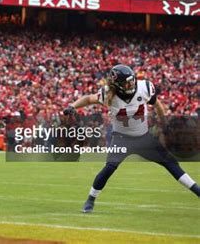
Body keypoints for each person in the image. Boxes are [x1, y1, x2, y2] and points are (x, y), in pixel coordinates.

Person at [63, 64, 200, 213]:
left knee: (170, 162)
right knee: (109, 168)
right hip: (122, 138)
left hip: (143, 137)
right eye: (127, 82)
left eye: (132, 80)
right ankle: (90, 199)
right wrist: (72, 106)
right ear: (117, 85)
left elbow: (157, 104)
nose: (131, 84)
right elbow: (89, 99)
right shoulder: (109, 93)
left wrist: (164, 122)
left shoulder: (145, 87)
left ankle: (198, 191)